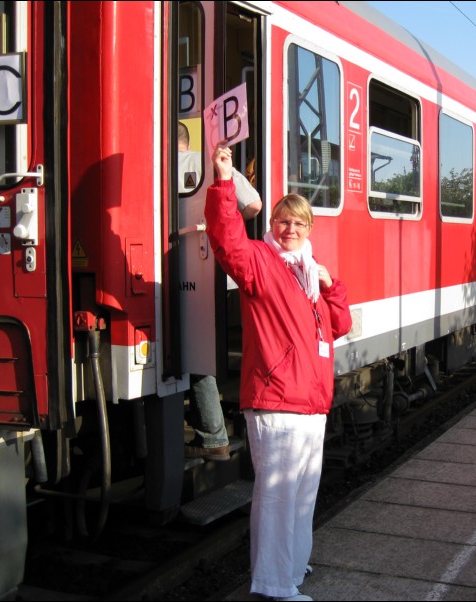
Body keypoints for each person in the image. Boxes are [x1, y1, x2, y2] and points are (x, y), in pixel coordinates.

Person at [205, 145, 352, 601]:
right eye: (283, 221)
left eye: (299, 223)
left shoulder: (310, 273)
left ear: (309, 229)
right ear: (271, 226)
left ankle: (291, 567)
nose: (290, 229)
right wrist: (224, 181)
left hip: (310, 404)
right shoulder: (259, 263)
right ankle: (272, 584)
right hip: (275, 400)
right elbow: (227, 241)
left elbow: (341, 325)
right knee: (276, 499)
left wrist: (332, 286)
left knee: (303, 495)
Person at [178, 122, 262, 461]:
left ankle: (213, 434)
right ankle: (215, 433)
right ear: (188, 142)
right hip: (215, 267)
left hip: (170, 269)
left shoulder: (157, 163)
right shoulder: (209, 163)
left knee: (191, 349)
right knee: (203, 348)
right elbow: (254, 205)